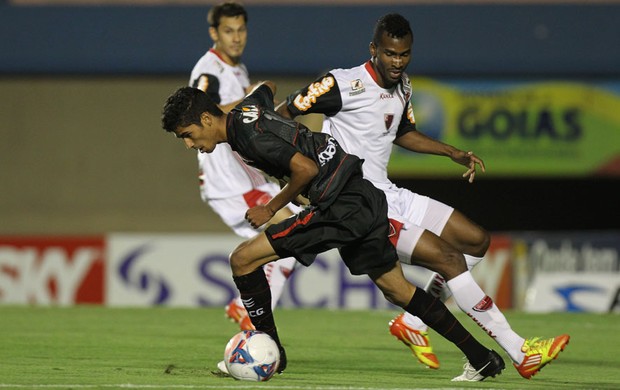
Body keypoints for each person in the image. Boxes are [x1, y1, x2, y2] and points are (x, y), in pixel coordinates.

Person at [276, 13, 569, 381]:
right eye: (389, 54)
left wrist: (452, 152)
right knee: (449, 260)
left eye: (404, 54)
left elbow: (402, 132)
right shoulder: (340, 83)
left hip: (390, 192)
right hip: (360, 204)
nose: (397, 62)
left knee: (475, 241)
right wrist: (297, 176)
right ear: (373, 50)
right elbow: (282, 116)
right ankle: (520, 350)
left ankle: (413, 322)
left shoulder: (403, 85)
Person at [161, 82, 506, 380]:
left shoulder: (245, 136)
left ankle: (271, 352)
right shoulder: (247, 112)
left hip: (336, 206)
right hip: (361, 195)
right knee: (398, 290)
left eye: (187, 136)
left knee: (242, 259)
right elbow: (267, 87)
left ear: (206, 119)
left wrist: (270, 207)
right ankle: (481, 358)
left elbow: (305, 168)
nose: (190, 145)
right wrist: (258, 109)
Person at [188, 2, 300, 332]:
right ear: (214, 33)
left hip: (248, 178)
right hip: (229, 181)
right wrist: (251, 98)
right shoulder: (209, 70)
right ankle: (250, 318)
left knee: (293, 238)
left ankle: (245, 309)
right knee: (292, 236)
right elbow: (198, 114)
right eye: (228, 31)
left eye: (241, 30)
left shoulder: (237, 69)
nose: (236, 38)